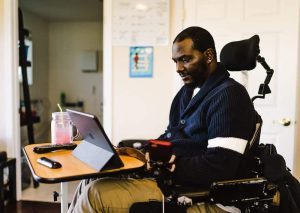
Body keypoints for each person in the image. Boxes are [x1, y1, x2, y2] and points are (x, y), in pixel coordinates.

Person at [68, 26, 257, 213]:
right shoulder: (187, 92)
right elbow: (172, 135)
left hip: (199, 193)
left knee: (96, 193)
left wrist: (165, 165)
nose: (178, 68)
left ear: (208, 56)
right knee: (90, 179)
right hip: (173, 179)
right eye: (175, 61)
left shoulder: (230, 95)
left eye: (186, 59)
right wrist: (139, 154)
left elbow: (221, 166)